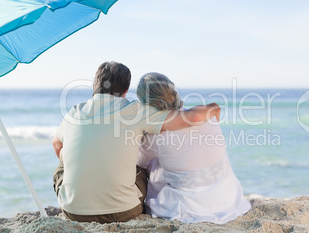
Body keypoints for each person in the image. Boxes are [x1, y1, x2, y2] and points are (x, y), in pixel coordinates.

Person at [52, 62, 220, 223]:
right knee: (139, 167)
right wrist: (213, 107)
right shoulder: (136, 111)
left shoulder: (73, 113)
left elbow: (56, 145)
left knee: (63, 162)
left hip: (73, 212)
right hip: (124, 211)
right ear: (126, 90)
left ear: (94, 87)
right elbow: (191, 117)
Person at [137, 72, 251, 224]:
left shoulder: (154, 136)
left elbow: (139, 162)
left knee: (152, 163)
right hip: (228, 198)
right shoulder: (205, 116)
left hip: (188, 206)